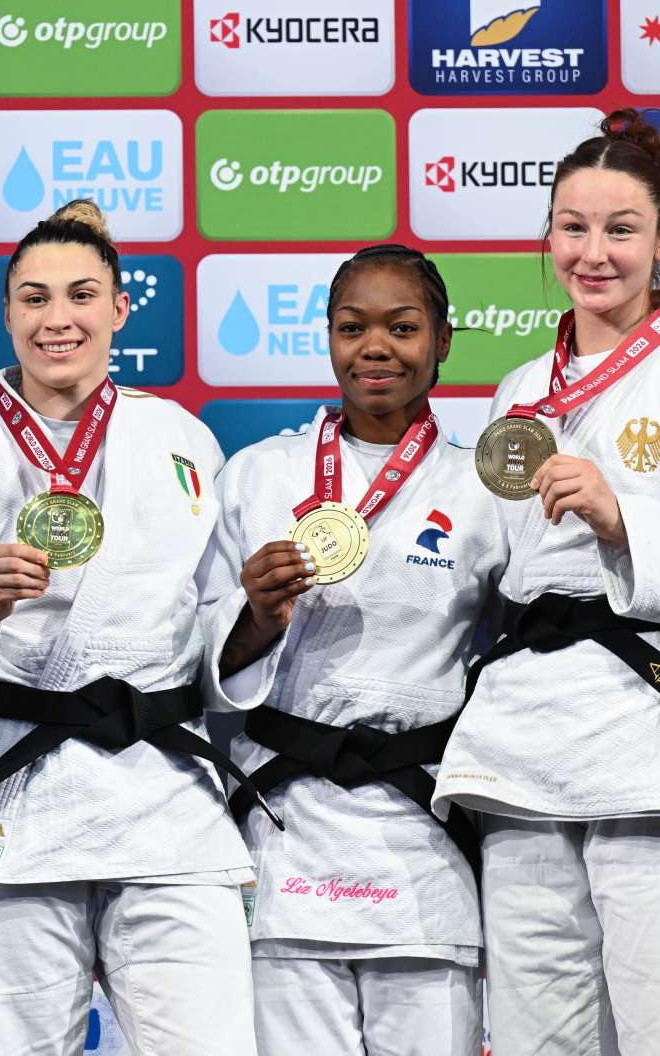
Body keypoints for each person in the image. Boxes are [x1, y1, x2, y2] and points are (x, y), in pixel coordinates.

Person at [432, 108, 660, 1055]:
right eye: (572, 227)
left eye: (620, 229)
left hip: (654, 732)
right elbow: (491, 562)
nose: (591, 253)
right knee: (534, 1033)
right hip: (522, 743)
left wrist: (620, 516)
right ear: (548, 233)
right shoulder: (520, 387)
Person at [0, 199, 260, 1056]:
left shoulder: (182, 439)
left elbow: (207, 621)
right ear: (5, 314)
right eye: (34, 298)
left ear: (121, 308)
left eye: (82, 295)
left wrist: (259, 615)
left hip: (166, 798)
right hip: (15, 795)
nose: (59, 320)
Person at [200, 245, 505, 1055]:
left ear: (443, 340)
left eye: (402, 327)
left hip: (424, 836)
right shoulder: (257, 474)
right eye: (351, 327)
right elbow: (195, 654)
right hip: (286, 825)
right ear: (327, 338)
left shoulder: (483, 492)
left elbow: (517, 661)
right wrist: (255, 616)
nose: (375, 347)